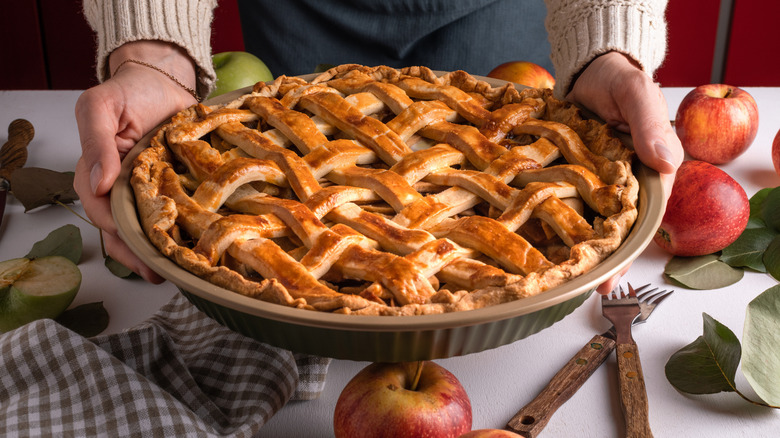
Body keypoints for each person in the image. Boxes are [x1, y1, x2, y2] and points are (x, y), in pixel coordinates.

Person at [74, 0, 683, 293]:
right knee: (284, 188)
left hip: (498, 85)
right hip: (297, 89)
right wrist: (153, 53)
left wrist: (606, 46)